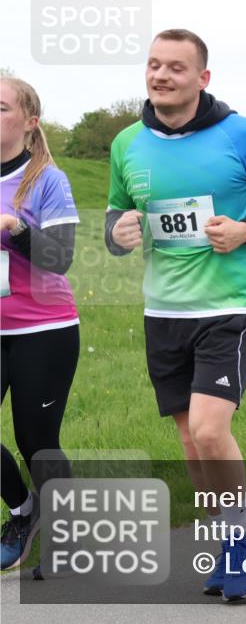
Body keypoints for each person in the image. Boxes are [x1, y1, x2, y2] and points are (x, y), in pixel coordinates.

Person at [105, 29, 246, 600]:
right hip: (163, 310)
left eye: (176, 67)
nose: (161, 75)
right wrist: (117, 234)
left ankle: (241, 543)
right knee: (191, 445)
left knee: (212, 431)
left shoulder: (242, 134)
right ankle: (224, 537)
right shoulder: (126, 144)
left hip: (229, 306)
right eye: (154, 65)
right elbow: (118, 218)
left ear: (202, 78)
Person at [0, 77, 80, 569]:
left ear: (30, 122)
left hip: (43, 330)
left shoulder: (47, 179)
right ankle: (23, 511)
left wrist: (15, 228)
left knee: (36, 442)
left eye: (0, 107)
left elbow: (60, 257)